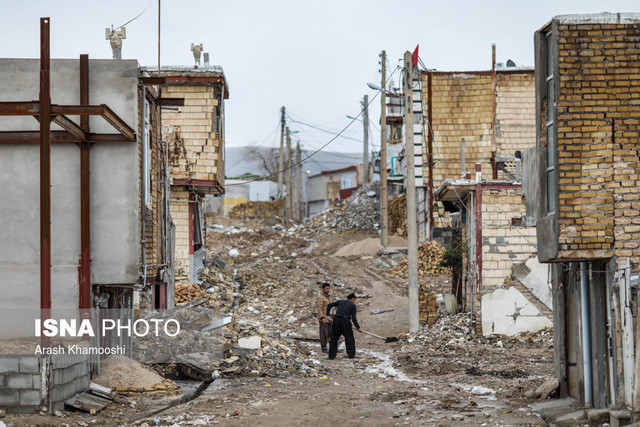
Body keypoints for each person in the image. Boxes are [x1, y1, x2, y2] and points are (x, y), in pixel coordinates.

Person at [326, 293, 362, 359]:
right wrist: (358, 327)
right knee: (349, 338)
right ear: (353, 299)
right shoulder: (353, 305)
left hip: (336, 321)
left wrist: (327, 315)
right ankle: (351, 356)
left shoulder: (340, 301)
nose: (355, 301)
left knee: (334, 339)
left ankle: (331, 356)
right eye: (355, 300)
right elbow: (354, 318)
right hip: (345, 322)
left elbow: (329, 305)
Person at [315, 282, 332, 353]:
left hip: (330, 318)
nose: (328, 290)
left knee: (331, 333)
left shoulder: (329, 297)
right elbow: (319, 308)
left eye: (329, 288)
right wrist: (322, 318)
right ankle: (324, 347)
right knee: (324, 333)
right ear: (323, 289)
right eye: (326, 288)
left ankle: (333, 347)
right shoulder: (320, 298)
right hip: (324, 318)